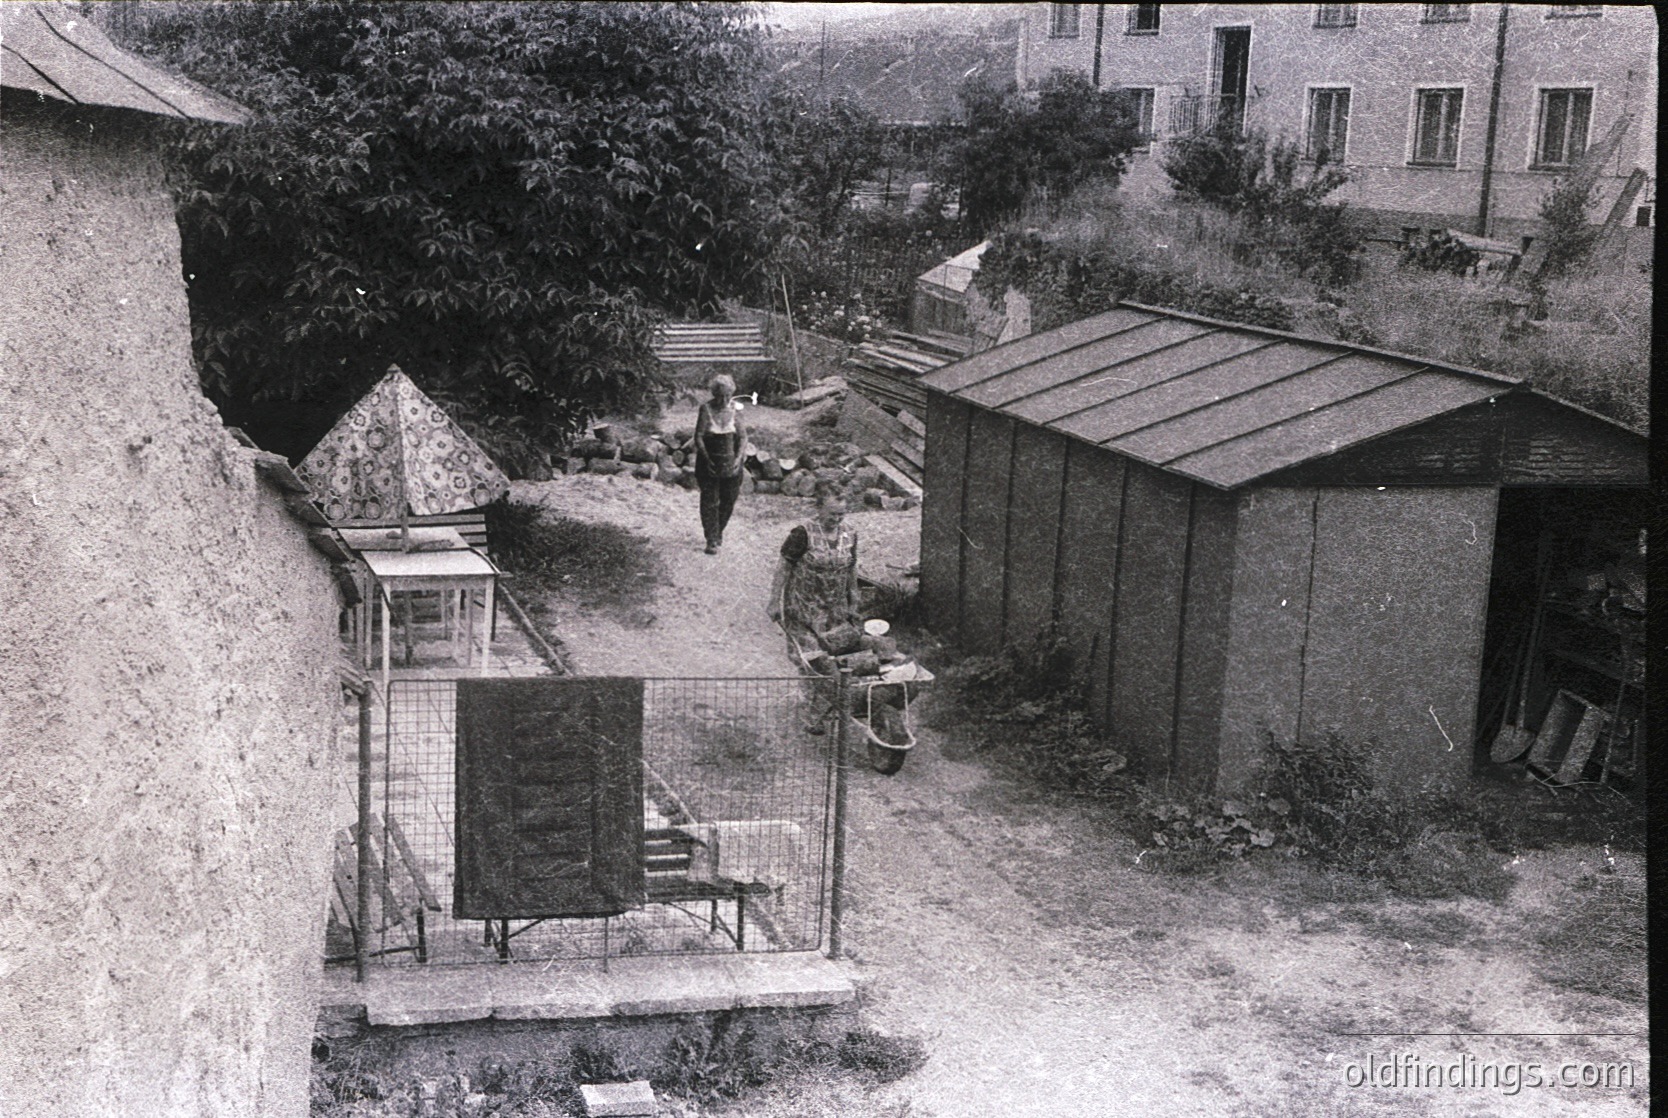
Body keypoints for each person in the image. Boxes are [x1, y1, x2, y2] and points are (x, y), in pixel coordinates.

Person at [769, 485, 858, 639]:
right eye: (832, 514)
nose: (836, 519)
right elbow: (783, 567)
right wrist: (774, 601)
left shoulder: (850, 533)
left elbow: (852, 567)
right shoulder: (802, 533)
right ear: (819, 508)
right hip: (803, 606)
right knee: (806, 651)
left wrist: (854, 600)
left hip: (835, 607)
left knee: (832, 648)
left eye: (841, 514)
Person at [693, 373, 746, 554]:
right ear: (714, 394)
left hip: (732, 460)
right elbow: (698, 436)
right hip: (709, 460)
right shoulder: (705, 409)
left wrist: (738, 459)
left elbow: (743, 437)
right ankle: (711, 539)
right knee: (709, 500)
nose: (723, 400)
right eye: (720, 395)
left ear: (732, 394)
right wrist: (706, 458)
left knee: (729, 499)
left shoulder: (736, 409)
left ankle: (718, 532)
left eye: (727, 395)